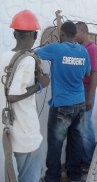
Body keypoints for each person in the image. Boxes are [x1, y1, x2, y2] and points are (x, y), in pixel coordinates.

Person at [34, 10, 90, 182]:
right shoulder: (83, 51)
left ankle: (52, 178)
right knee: (75, 143)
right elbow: (87, 72)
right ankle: (74, 176)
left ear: (62, 34)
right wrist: (59, 20)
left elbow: (35, 53)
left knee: (55, 145)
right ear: (75, 35)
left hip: (61, 107)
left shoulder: (55, 49)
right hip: (79, 104)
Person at [0, 10, 50, 182]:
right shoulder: (28, 60)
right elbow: (13, 95)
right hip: (26, 133)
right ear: (35, 35)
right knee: (29, 177)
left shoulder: (3, 57)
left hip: (9, 130)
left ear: (14, 34)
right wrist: (40, 85)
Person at [74, 21, 97, 173]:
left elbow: (95, 75)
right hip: (79, 91)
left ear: (83, 32)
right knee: (80, 126)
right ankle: (84, 158)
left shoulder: (93, 50)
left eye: (76, 33)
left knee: (86, 126)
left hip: (86, 92)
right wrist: (58, 19)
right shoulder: (80, 48)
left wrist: (89, 98)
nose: (74, 36)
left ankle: (89, 161)